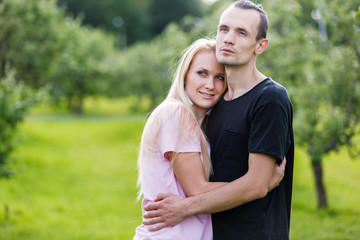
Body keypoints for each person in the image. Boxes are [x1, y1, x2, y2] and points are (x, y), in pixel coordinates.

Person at [142, 1, 294, 240]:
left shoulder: (269, 98)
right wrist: (261, 183)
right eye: (224, 29)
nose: (229, 38)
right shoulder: (213, 105)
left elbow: (256, 184)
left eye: (241, 32)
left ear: (260, 45)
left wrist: (184, 207)